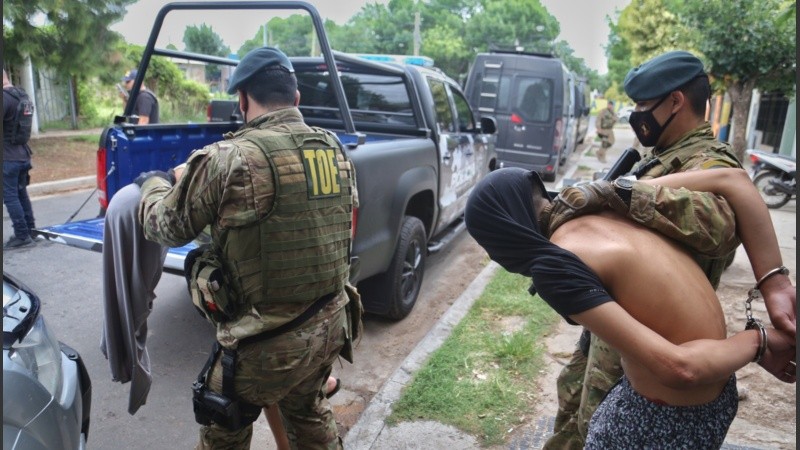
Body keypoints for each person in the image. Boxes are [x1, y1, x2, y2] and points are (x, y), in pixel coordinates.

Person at [544, 50, 785, 450]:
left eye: (643, 105)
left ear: (675, 102)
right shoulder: (659, 159)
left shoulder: (710, 162)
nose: (636, 114)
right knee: (572, 422)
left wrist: (622, 195)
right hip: (614, 338)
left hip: (652, 362)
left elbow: (719, 228)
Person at [464, 167, 796, 448]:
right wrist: (775, 283)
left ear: (505, 234)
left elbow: (679, 369)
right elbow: (736, 180)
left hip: (662, 422)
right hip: (714, 397)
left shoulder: (554, 266)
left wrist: (759, 342)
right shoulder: (608, 202)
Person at [134, 46, 358, 449]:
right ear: (296, 99)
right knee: (308, 414)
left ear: (241, 99)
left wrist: (153, 183)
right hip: (329, 327)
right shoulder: (334, 150)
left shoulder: (229, 158)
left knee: (223, 426)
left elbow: (166, 226)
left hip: (265, 349)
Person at [3, 68, 37, 249]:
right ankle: (30, 230)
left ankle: (22, 235)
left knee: (10, 196)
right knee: (21, 193)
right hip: (22, 154)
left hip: (8, 157)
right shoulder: (22, 96)